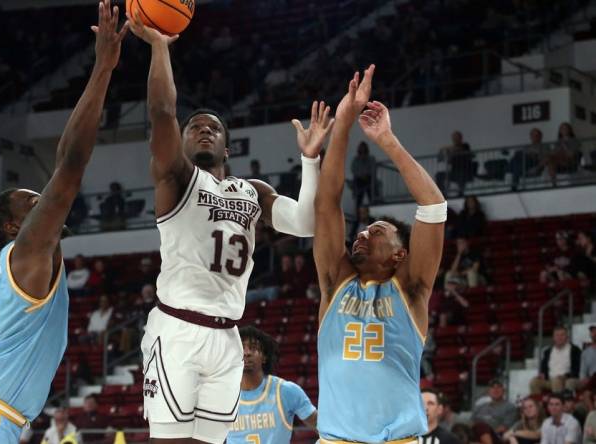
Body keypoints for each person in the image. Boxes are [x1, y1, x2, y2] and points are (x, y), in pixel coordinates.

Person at [129, 10, 330, 443]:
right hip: (177, 330)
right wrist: (160, 48)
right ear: (180, 143)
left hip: (228, 338)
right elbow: (163, 111)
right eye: (194, 127)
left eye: (213, 127)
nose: (203, 131)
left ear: (228, 144)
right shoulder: (177, 177)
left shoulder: (252, 190)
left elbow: (307, 222)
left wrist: (310, 161)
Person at [0, 5, 127, 442]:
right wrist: (103, 68)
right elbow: (71, 164)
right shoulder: (24, 256)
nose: (45, 204)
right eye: (32, 204)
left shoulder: (5, 267)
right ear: (17, 230)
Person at [313, 66, 447, 442]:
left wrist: (387, 141)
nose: (362, 233)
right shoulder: (334, 283)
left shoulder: (412, 289)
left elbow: (434, 206)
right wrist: (343, 121)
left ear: (400, 255)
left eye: (376, 232)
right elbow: (327, 203)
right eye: (363, 229)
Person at [228, 326, 316, 444]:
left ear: (264, 357)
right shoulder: (224, 394)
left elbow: (324, 429)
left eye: (253, 348)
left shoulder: (286, 391)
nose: (247, 353)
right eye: (242, 348)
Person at [530, 326, 581, 395]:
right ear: (553, 338)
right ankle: (537, 404)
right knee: (534, 382)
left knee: (556, 381)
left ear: (567, 337)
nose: (559, 337)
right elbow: (543, 366)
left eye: (562, 335)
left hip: (566, 379)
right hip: (549, 380)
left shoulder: (575, 350)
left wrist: (565, 376)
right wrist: (542, 373)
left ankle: (557, 402)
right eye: (557, 335)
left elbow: (577, 368)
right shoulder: (547, 351)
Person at [350, 141, 376, 208]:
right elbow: (353, 169)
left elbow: (372, 169)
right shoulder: (356, 160)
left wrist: (366, 174)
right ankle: (358, 215)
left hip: (368, 180)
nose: (362, 150)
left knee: (372, 198)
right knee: (359, 200)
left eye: (364, 148)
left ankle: (373, 212)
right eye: (361, 148)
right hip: (359, 181)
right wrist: (361, 175)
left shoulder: (371, 159)